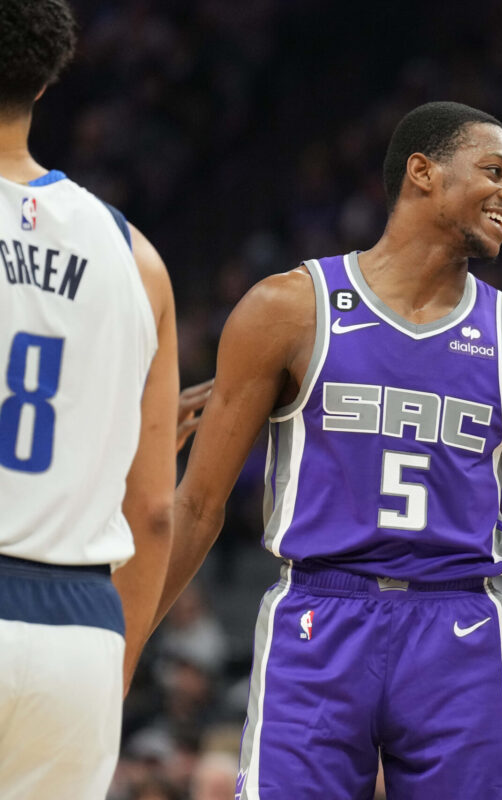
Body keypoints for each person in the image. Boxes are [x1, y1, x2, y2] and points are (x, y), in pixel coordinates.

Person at [151, 100, 502, 799]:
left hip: (457, 627)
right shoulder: (289, 308)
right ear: (422, 172)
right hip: (320, 615)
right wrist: (115, 645)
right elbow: (197, 508)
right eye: (494, 171)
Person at [0, 0, 179, 796]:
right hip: (78, 631)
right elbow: (154, 512)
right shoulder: (136, 258)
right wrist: (113, 665)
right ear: (43, 86)